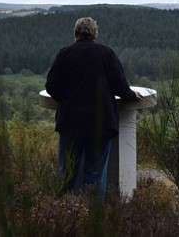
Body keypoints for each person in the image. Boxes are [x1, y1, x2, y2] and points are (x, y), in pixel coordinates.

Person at [45, 17, 141, 200]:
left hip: (70, 122)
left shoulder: (65, 54)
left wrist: (66, 99)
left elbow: (51, 87)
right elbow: (120, 85)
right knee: (95, 176)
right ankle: (93, 222)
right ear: (95, 35)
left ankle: (65, 218)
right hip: (101, 124)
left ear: (75, 34)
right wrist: (131, 95)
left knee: (67, 175)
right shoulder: (106, 53)